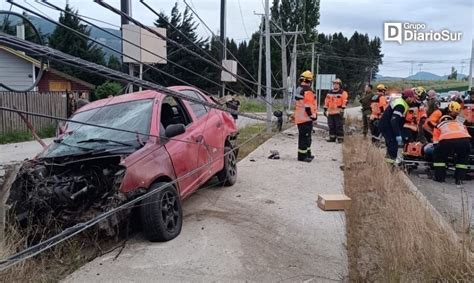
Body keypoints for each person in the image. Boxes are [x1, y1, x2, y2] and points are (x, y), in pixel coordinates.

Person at [432, 101, 472, 184]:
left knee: (440, 158)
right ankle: (459, 180)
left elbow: (436, 140)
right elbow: (465, 133)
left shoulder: (439, 124)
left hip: (448, 140)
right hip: (464, 141)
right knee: (462, 159)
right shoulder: (460, 123)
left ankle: (440, 178)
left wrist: (437, 149)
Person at [378, 89, 418, 164]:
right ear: (408, 97)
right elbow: (394, 120)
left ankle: (388, 164)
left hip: (387, 125)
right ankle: (390, 167)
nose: (413, 100)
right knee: (393, 146)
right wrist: (397, 134)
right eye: (412, 98)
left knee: (391, 146)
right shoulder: (401, 105)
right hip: (387, 126)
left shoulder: (401, 102)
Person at [294, 70, 317, 162]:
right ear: (310, 81)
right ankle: (302, 156)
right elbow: (308, 107)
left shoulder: (299, 89)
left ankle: (307, 153)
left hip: (301, 118)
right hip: (305, 118)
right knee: (305, 137)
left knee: (307, 137)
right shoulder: (307, 91)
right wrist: (312, 116)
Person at [324, 78, 347, 143]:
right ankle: (332, 138)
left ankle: (340, 139)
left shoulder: (343, 93)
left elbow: (344, 101)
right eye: (334, 84)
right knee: (331, 125)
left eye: (337, 84)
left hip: (338, 112)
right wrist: (325, 109)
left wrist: (342, 109)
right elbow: (326, 101)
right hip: (330, 112)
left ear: (339, 85)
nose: (335, 85)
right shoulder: (329, 92)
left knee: (339, 126)